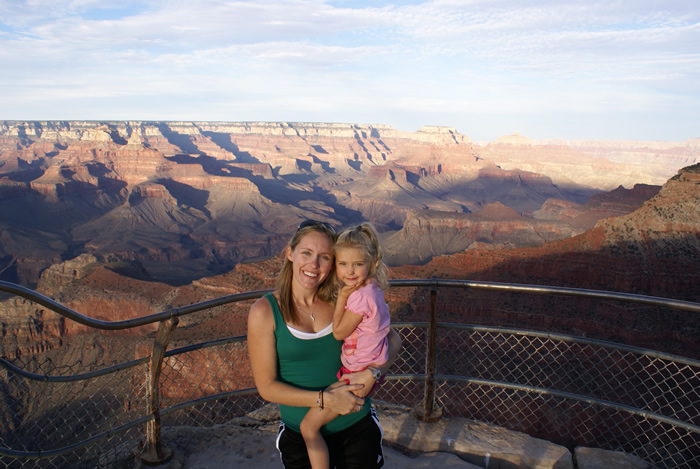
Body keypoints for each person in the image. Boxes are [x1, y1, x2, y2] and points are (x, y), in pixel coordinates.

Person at [247, 220, 401, 469]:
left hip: (355, 427)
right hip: (301, 438)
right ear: (290, 253)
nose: (314, 264)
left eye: (325, 257)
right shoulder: (265, 312)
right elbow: (267, 387)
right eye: (306, 253)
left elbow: (392, 339)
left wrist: (374, 373)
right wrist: (324, 399)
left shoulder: (344, 300)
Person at [299, 223, 391, 469]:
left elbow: (339, 332)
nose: (350, 272)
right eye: (343, 264)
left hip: (357, 376)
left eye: (357, 264)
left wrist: (341, 298)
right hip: (368, 369)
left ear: (371, 264)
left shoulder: (359, 298)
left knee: (308, 427)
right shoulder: (372, 288)